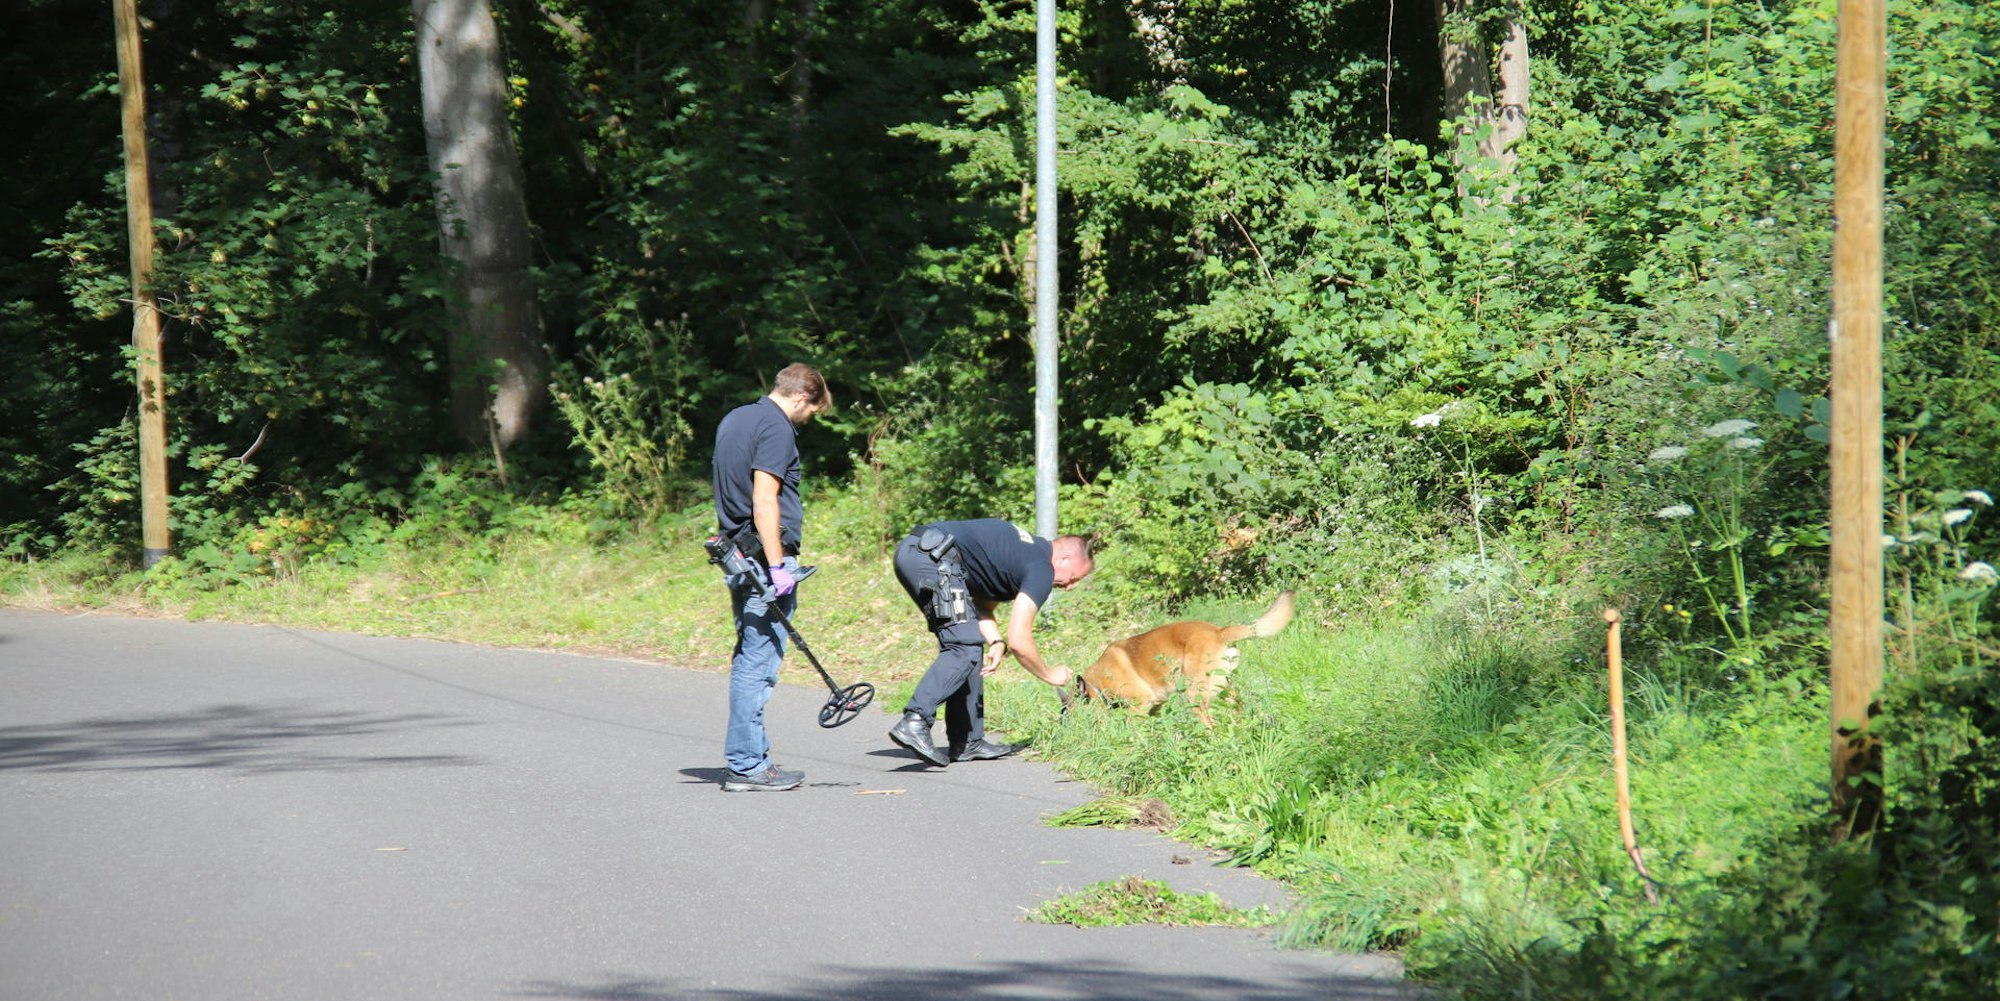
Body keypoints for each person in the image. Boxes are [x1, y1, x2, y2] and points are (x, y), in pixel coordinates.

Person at [710, 363, 831, 792]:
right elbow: (764, 499)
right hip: (762, 559)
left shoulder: (737, 417)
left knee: (750, 656)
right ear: (801, 398)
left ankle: (751, 758)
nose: (807, 420)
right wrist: (778, 566)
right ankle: (747, 765)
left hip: (737, 552)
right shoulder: (776, 427)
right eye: (812, 411)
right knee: (758, 664)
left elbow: (728, 489)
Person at [887, 518, 1094, 767]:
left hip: (921, 552)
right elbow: (1019, 638)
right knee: (963, 647)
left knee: (970, 643)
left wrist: (996, 640)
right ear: (1064, 559)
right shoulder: (1041, 567)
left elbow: (982, 605)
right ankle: (915, 721)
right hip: (932, 559)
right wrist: (1049, 674)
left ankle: (967, 742)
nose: (1070, 587)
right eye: (1073, 578)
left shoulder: (1021, 553)